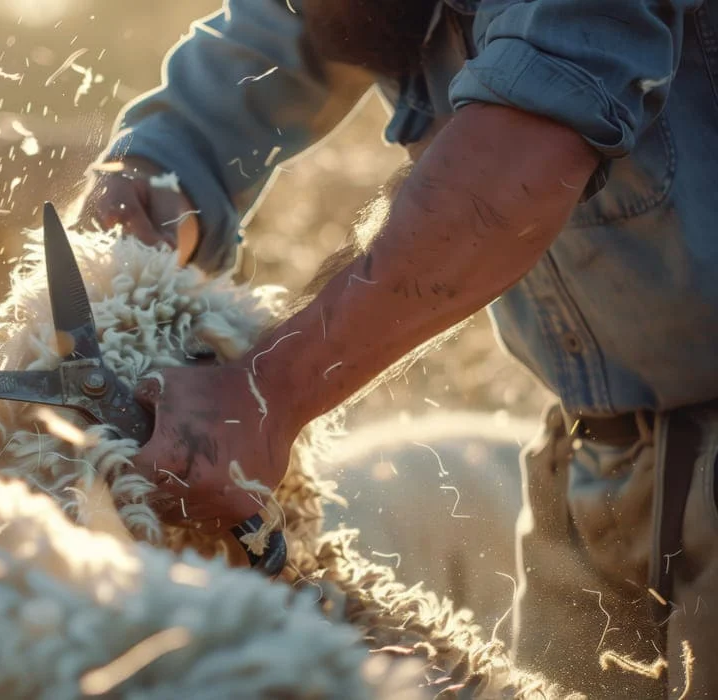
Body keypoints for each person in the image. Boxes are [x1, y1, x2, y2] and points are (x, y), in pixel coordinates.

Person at [74, 1, 718, 697]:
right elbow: (268, 42)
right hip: (593, 461)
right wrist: (150, 169)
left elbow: (523, 155)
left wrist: (265, 392)